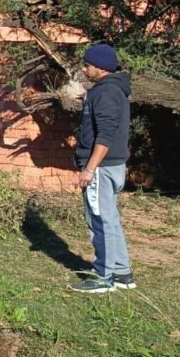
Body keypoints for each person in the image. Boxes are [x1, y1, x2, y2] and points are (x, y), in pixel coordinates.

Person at [70, 44, 134, 293]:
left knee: (99, 219)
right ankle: (121, 272)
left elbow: (105, 134)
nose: (85, 70)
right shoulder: (113, 89)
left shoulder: (106, 92)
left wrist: (89, 168)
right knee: (110, 218)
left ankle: (103, 276)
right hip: (111, 165)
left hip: (102, 167)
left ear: (99, 67)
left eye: (87, 65)